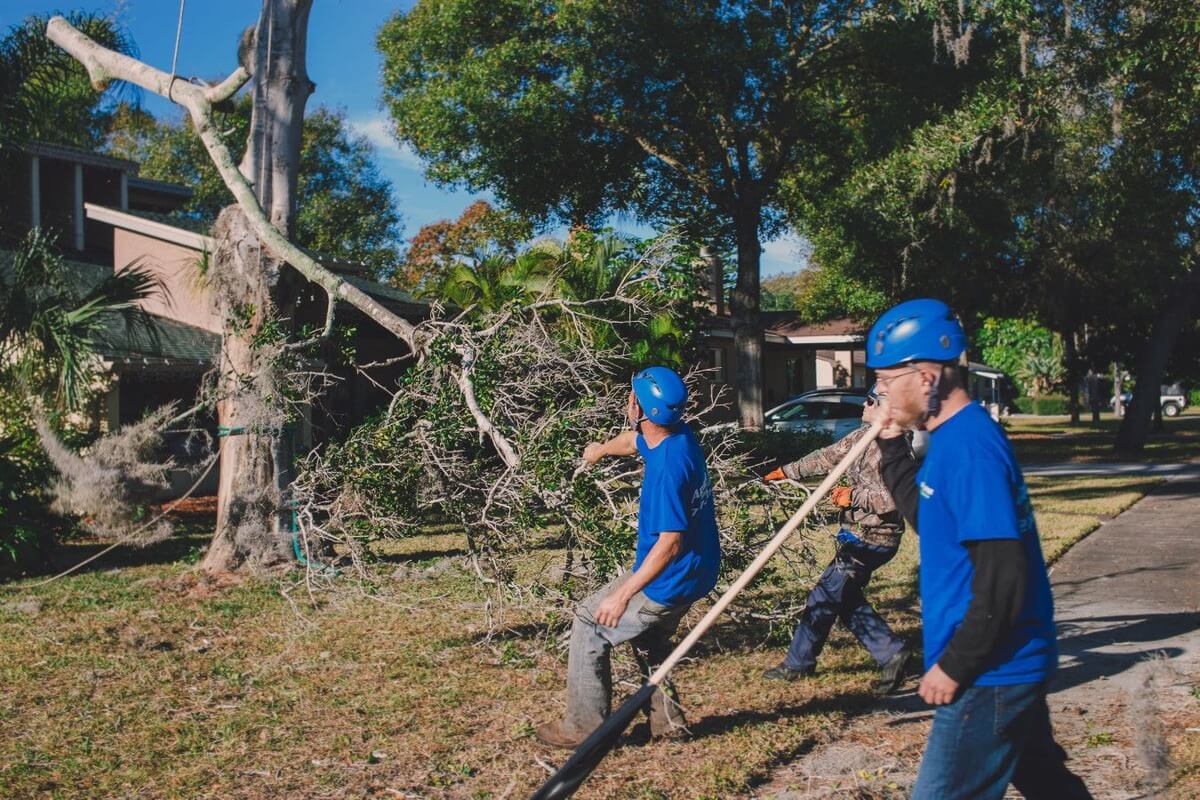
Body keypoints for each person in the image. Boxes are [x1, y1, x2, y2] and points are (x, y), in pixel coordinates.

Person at [868, 298, 1092, 799]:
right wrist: (889, 450)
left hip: (992, 669)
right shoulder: (948, 440)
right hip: (1007, 659)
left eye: (885, 382)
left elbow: (1004, 572)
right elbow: (934, 520)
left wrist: (956, 665)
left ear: (926, 377)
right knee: (1043, 778)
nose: (880, 395)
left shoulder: (970, 449)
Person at [535, 366, 721, 748]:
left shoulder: (668, 471)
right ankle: (669, 725)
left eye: (631, 396)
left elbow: (669, 543)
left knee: (589, 622)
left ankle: (584, 728)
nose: (627, 401)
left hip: (670, 579)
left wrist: (621, 595)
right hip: (699, 573)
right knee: (650, 639)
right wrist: (600, 451)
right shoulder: (678, 435)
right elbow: (635, 442)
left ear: (639, 408)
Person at [760, 386, 912, 695]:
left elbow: (895, 498)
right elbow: (827, 458)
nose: (865, 403)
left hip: (876, 538)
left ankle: (798, 664)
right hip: (856, 534)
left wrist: (852, 495)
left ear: (888, 410)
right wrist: (785, 471)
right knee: (843, 596)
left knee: (826, 593)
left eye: (873, 400)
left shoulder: (895, 450)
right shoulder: (861, 436)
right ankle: (891, 652)